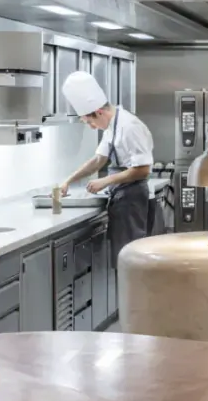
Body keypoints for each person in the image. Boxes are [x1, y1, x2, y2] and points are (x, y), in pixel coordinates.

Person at [57, 70, 155, 261]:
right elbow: (98, 160)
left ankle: (130, 291)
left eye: (89, 121)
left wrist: (106, 181)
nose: (91, 127)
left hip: (133, 198)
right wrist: (68, 180)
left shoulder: (129, 127)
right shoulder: (112, 126)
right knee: (122, 257)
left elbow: (143, 170)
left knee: (130, 259)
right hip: (121, 196)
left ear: (99, 112)